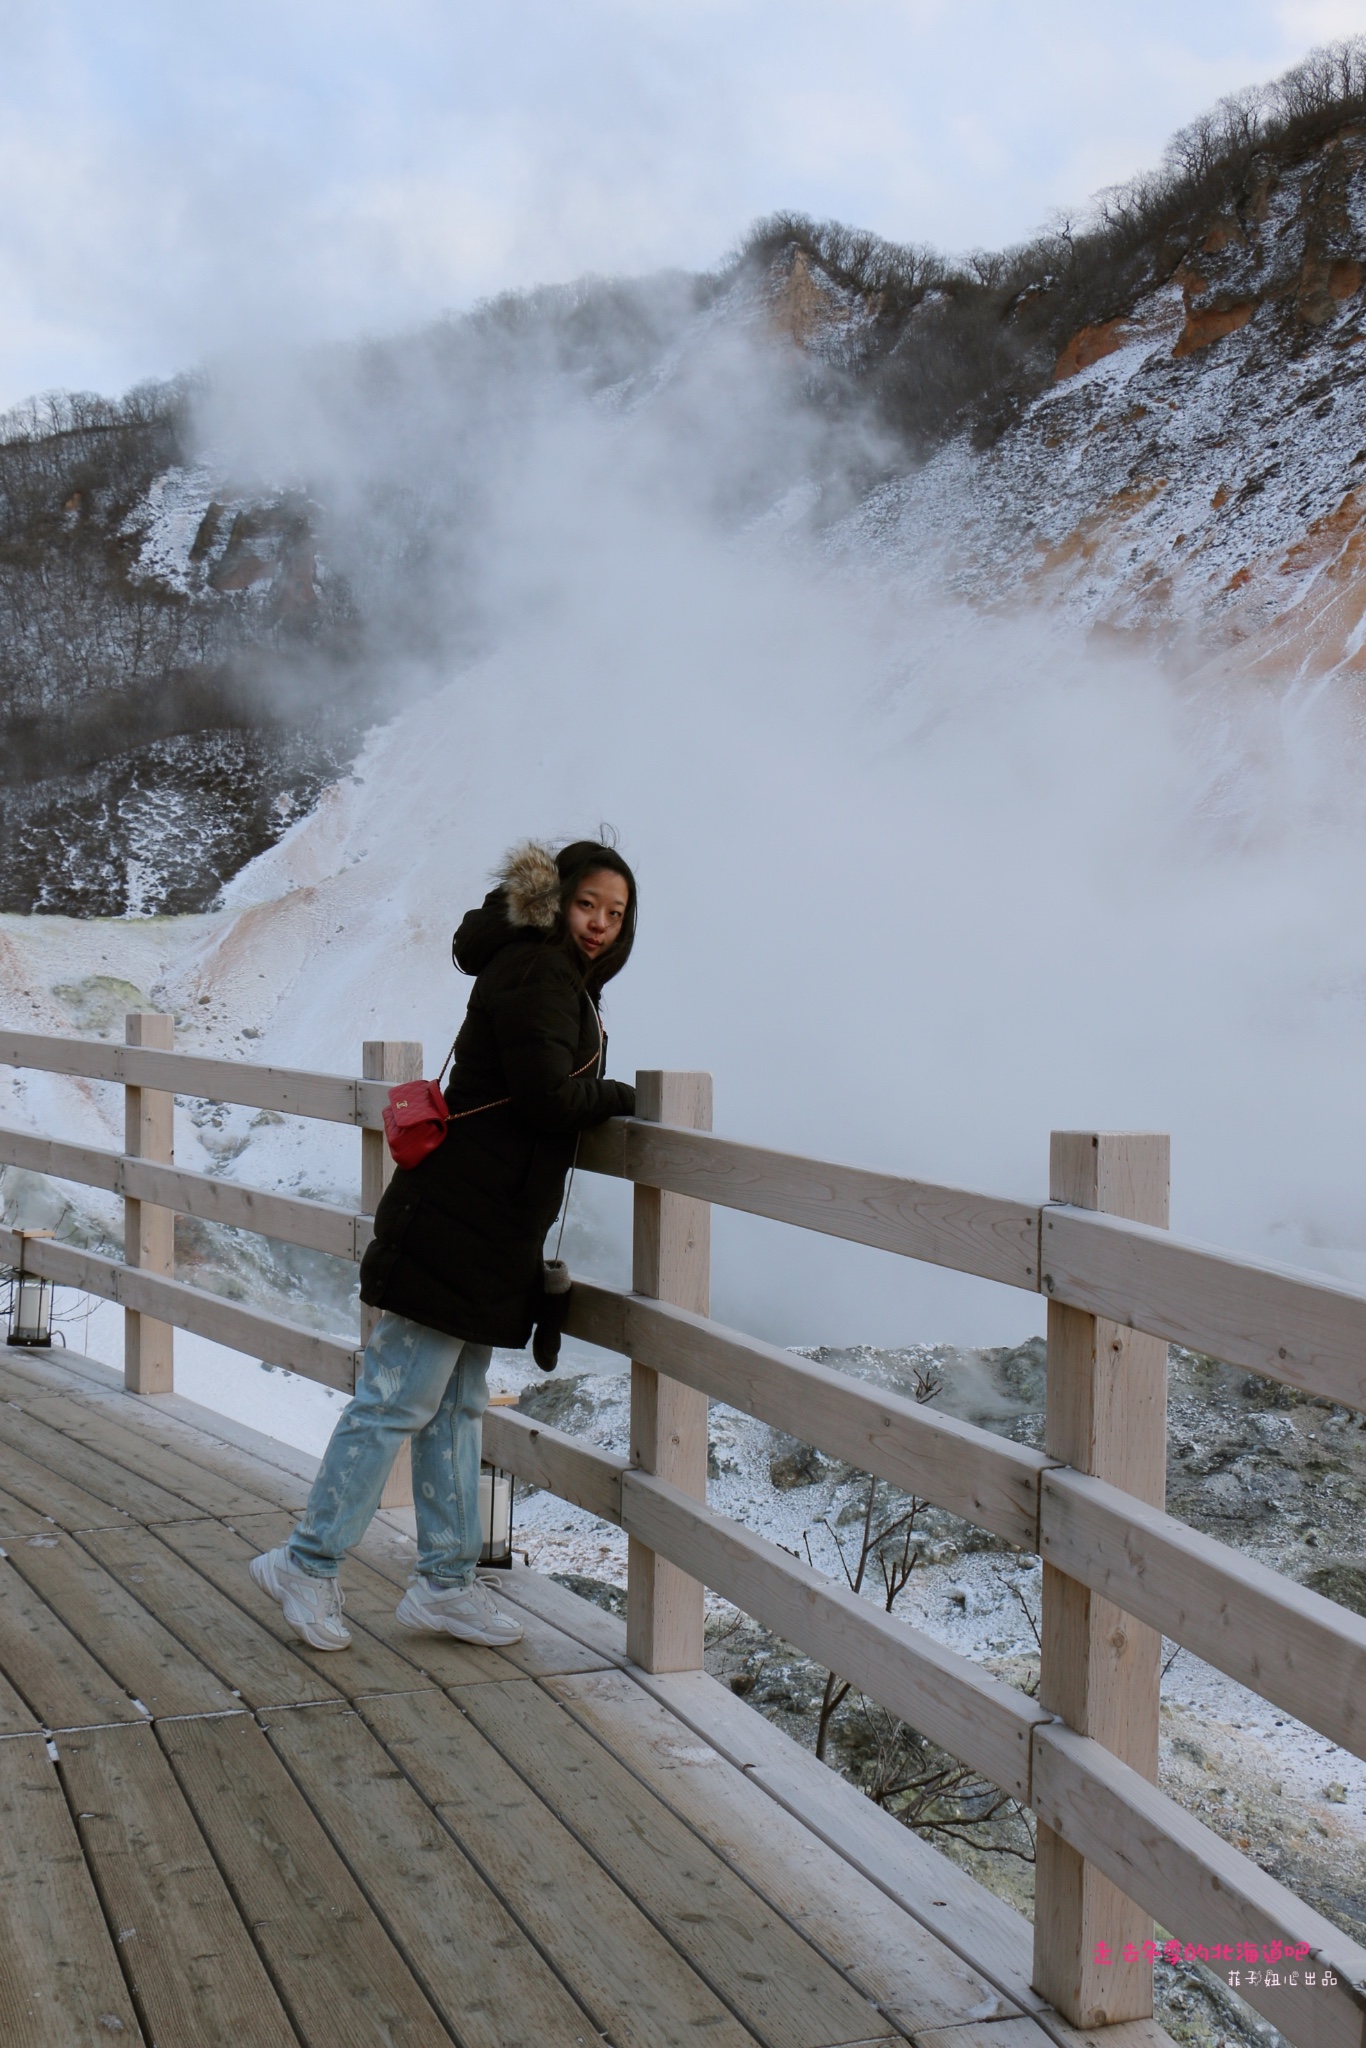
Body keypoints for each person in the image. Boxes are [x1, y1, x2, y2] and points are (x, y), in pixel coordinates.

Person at [250, 838, 637, 1651]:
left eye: (616, 912)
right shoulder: (539, 970)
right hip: (458, 1222)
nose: (600, 924)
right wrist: (622, 1096)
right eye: (587, 905)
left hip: (484, 1225)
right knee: (396, 1397)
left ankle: (445, 1585)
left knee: (454, 1405)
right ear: (556, 900)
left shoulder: (552, 972)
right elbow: (545, 1097)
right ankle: (306, 1564)